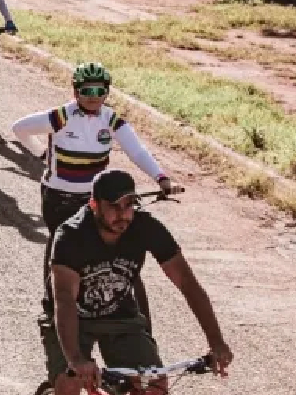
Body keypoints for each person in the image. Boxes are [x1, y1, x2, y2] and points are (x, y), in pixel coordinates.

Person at [44, 168, 233, 395]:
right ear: (94, 205)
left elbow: (188, 285)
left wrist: (216, 342)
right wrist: (76, 359)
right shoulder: (71, 235)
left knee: (155, 385)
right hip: (73, 317)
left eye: (130, 205)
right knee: (69, 381)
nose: (123, 215)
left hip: (119, 314)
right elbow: (64, 301)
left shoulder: (145, 227)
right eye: (114, 207)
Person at [11, 61, 174, 320]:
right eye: (87, 91)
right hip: (58, 197)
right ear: (75, 92)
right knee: (60, 246)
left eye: (100, 92)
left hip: (93, 199)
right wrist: (42, 153)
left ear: (107, 93)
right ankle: (50, 305)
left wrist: (161, 178)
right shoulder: (61, 116)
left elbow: (137, 151)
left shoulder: (110, 119)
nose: (93, 98)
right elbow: (20, 128)